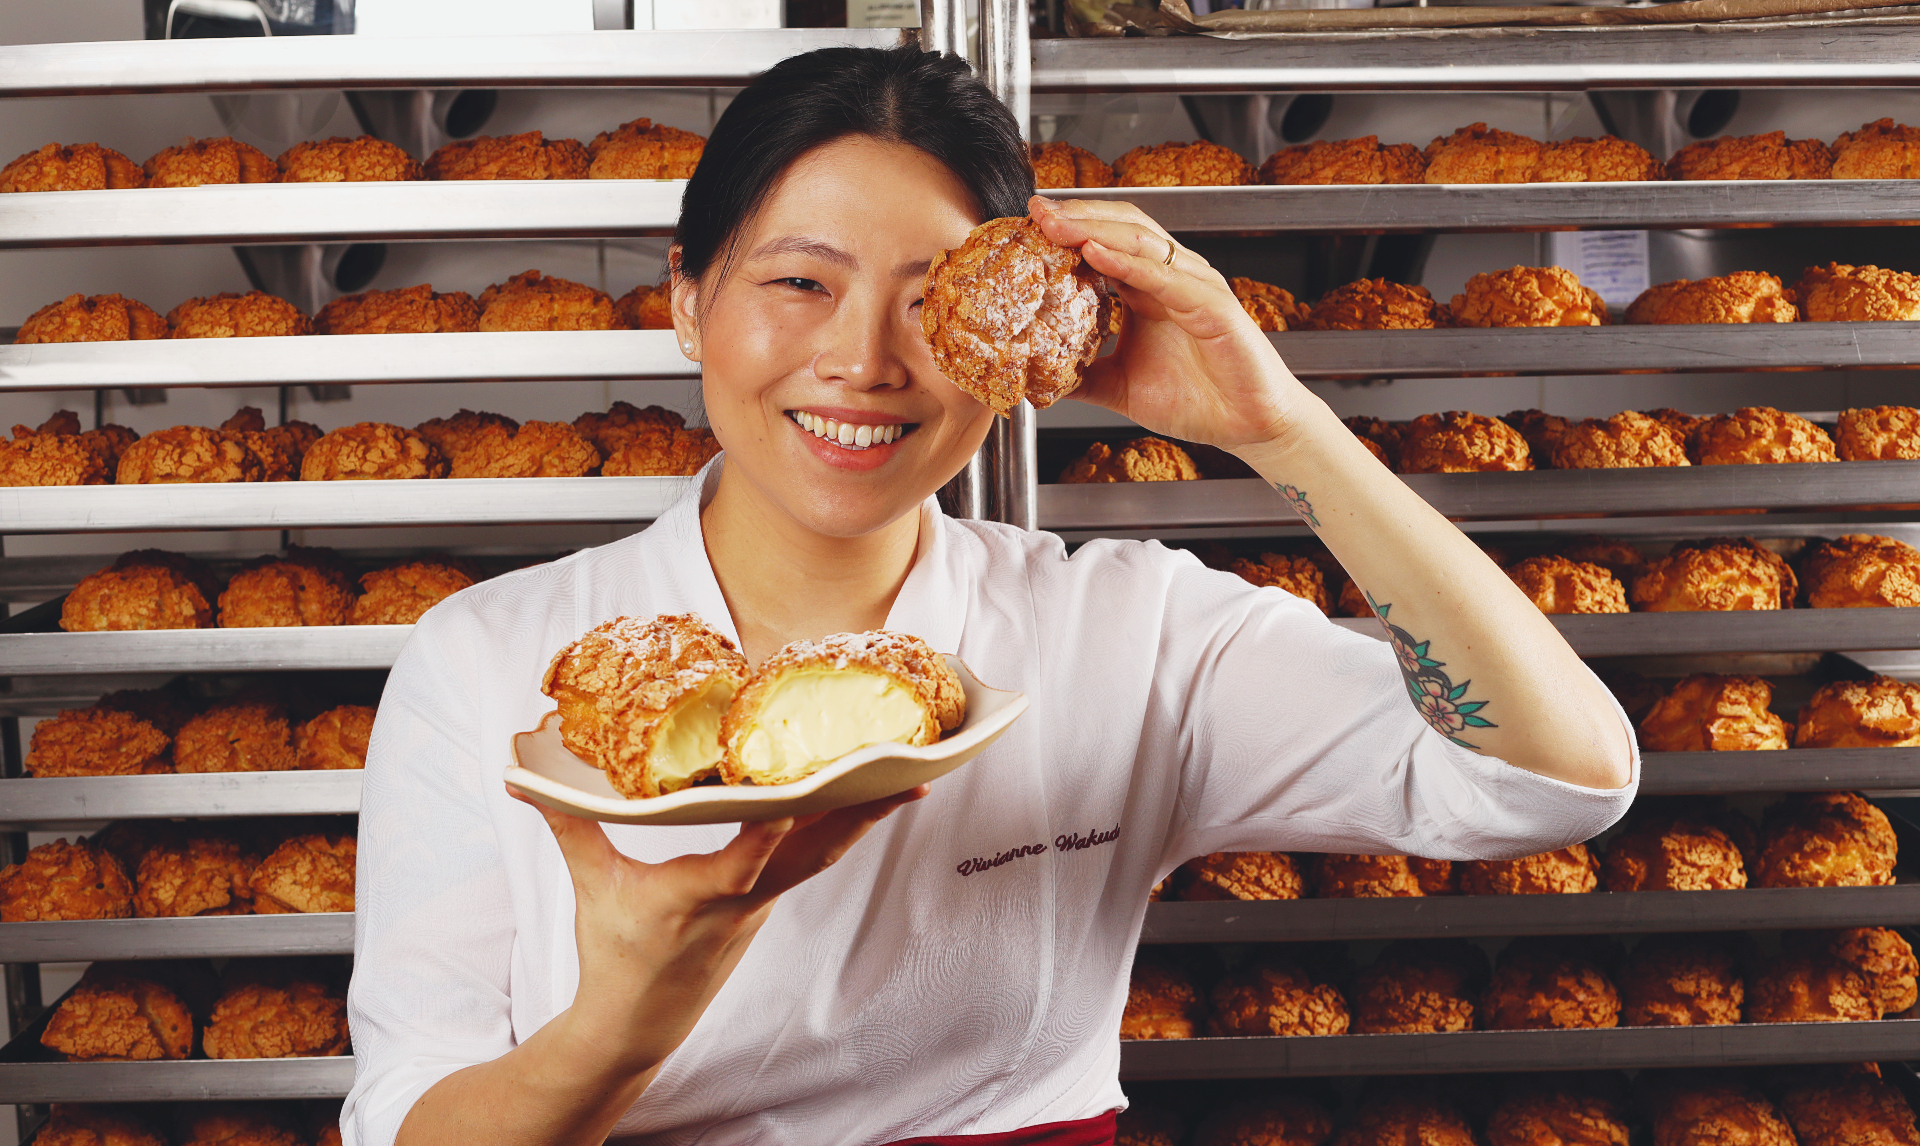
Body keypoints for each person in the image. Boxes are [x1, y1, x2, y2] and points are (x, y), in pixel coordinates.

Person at [344, 45, 1635, 1146]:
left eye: (931, 303)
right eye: (800, 282)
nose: (861, 360)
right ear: (688, 299)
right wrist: (627, 1011)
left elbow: (1551, 780)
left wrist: (1282, 427)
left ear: (1010, 339)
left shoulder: (1125, 630)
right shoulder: (498, 658)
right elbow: (409, 1115)